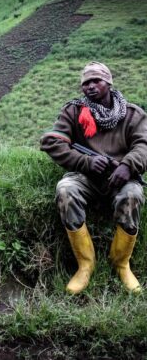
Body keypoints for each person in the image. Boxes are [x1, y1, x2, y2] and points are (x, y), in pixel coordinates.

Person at [40, 61, 147, 294]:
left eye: (96, 81)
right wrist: (85, 162)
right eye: (85, 83)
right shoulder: (74, 111)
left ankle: (121, 264)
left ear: (108, 83)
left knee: (133, 194)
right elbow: (51, 141)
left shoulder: (132, 114)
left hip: (121, 177)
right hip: (85, 177)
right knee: (65, 189)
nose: (90, 86)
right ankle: (85, 265)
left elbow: (143, 144)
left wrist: (128, 166)